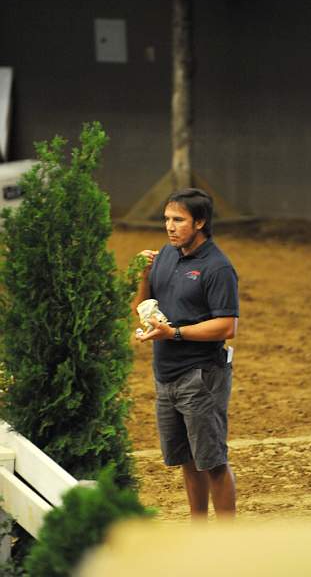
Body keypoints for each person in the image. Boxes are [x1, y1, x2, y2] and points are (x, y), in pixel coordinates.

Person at [132, 187, 239, 518]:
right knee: (188, 458)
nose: (170, 226)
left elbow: (226, 327)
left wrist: (174, 333)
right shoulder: (165, 255)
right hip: (165, 376)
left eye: (178, 219)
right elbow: (141, 306)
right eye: (166, 219)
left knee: (213, 461)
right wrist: (144, 275)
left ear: (200, 222)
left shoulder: (218, 267)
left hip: (201, 376)